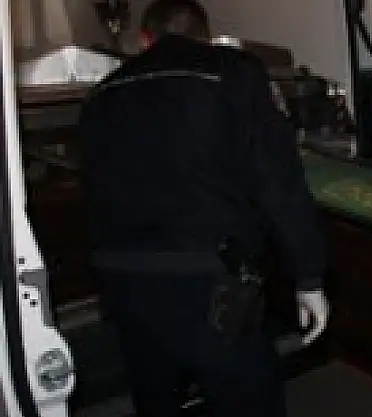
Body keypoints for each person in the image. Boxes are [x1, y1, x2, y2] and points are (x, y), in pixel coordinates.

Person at [78, 1, 329, 416]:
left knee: (154, 399)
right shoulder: (233, 72)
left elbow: (92, 187)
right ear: (205, 36)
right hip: (206, 278)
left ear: (145, 39)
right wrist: (309, 274)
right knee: (249, 398)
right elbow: (276, 178)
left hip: (123, 278)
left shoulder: (103, 92)